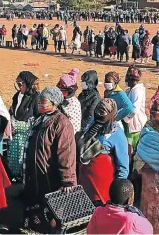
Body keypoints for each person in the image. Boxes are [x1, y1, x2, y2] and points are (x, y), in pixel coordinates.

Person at [24, 86, 77, 233]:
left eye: (44, 101)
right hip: (37, 176)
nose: (40, 103)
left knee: (53, 216)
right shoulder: (40, 119)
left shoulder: (61, 123)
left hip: (51, 179)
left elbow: (66, 154)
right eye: (39, 100)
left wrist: (67, 180)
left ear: (54, 103)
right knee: (39, 212)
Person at [78, 99, 129, 205]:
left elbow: (123, 167)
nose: (99, 115)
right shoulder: (92, 124)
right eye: (98, 112)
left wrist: (117, 194)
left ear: (111, 115)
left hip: (102, 191)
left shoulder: (116, 134)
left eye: (103, 113)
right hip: (84, 183)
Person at [134, 95, 159, 234]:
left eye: (156, 110)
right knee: (145, 204)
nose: (152, 112)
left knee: (158, 207)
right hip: (144, 170)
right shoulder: (149, 124)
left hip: (157, 175)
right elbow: (140, 141)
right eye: (152, 109)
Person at [86, 179, 153, 234]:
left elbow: (90, 231)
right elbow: (149, 230)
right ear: (130, 200)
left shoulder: (98, 211)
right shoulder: (132, 219)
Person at [8, 71, 39, 179]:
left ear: (27, 83)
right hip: (14, 135)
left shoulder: (35, 97)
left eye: (20, 83)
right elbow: (12, 110)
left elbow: (37, 117)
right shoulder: (16, 96)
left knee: (22, 159)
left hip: (25, 137)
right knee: (13, 158)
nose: (18, 86)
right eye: (17, 83)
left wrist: (20, 126)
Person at [124, 66, 147, 154]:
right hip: (131, 124)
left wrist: (125, 119)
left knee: (133, 147)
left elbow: (134, 109)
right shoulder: (130, 90)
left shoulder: (137, 91)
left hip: (136, 125)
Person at [57, 68, 82, 134]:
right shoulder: (61, 98)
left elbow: (72, 125)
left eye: (62, 85)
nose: (59, 86)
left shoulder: (73, 103)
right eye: (59, 84)